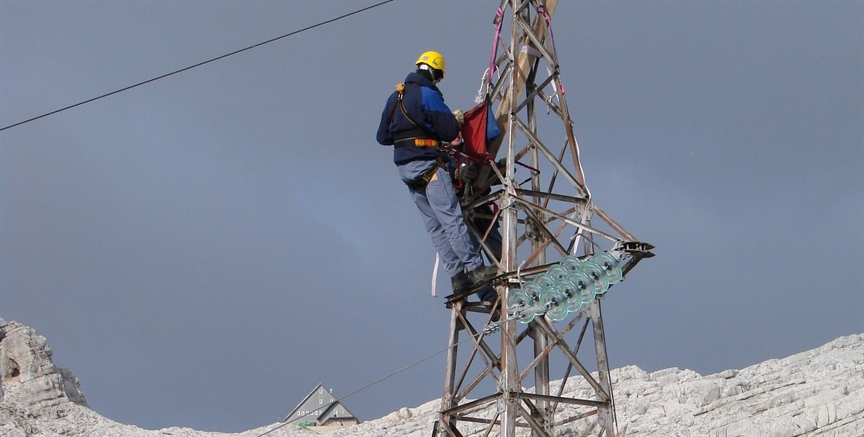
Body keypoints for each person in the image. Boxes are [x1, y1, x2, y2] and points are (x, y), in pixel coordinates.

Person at [376, 51, 496, 295]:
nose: (437, 81)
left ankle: (457, 277)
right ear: (433, 72)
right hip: (428, 167)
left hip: (406, 172)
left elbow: (383, 137)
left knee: (435, 228)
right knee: (452, 219)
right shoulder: (427, 94)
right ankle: (476, 269)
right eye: (438, 77)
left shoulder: (395, 97)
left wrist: (412, 134)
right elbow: (450, 129)